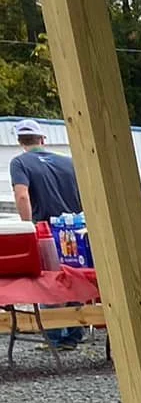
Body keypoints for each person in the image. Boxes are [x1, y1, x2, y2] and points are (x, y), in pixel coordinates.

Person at [10, 119, 86, 348]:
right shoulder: (68, 162)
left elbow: (22, 195)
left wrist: (27, 226)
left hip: (46, 230)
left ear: (20, 141)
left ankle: (53, 336)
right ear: (42, 139)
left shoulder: (20, 163)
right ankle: (74, 332)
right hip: (74, 228)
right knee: (74, 276)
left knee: (48, 281)